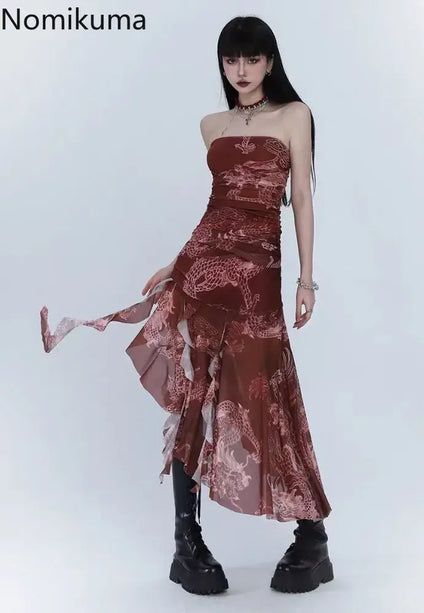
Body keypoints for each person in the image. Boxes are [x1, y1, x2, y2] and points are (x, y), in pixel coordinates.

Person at [40, 15, 334, 596]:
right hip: (204, 272)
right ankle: (186, 541)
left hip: (259, 279)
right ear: (222, 64)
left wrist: (307, 280)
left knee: (268, 395)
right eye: (232, 60)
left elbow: (301, 195)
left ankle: (311, 534)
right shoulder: (211, 125)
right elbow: (216, 207)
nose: (241, 70)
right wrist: (179, 263)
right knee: (195, 399)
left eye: (252, 59)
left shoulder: (294, 115)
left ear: (270, 62)